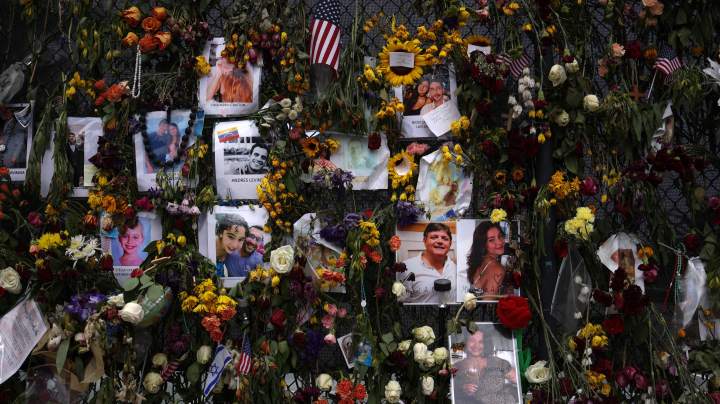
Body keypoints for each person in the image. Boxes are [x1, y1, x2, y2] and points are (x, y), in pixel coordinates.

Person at [454, 329, 519, 404]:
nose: (476, 345)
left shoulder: (498, 362)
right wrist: (462, 389)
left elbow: (519, 382)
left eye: (480, 342)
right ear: (465, 342)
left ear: (485, 344)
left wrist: (512, 399)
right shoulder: (456, 367)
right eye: (472, 341)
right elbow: (451, 392)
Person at [397, 222, 455, 304]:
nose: (439, 241)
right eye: (434, 237)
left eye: (445, 238)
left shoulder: (456, 268)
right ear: (424, 240)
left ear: (450, 243)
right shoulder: (406, 268)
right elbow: (400, 304)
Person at [467, 221, 510, 297]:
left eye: (500, 236)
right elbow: (489, 302)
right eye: (491, 240)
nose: (499, 242)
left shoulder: (481, 262)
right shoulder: (497, 268)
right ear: (483, 244)